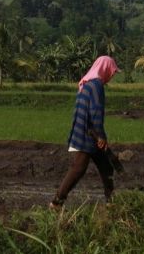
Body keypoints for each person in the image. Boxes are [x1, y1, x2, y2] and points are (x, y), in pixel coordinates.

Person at [50, 55, 119, 209]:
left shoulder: (87, 83)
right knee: (78, 168)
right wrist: (100, 136)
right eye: (112, 72)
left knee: (106, 167)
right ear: (105, 69)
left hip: (86, 130)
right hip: (87, 134)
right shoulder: (97, 85)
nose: (112, 75)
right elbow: (95, 112)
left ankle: (111, 204)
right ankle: (56, 202)